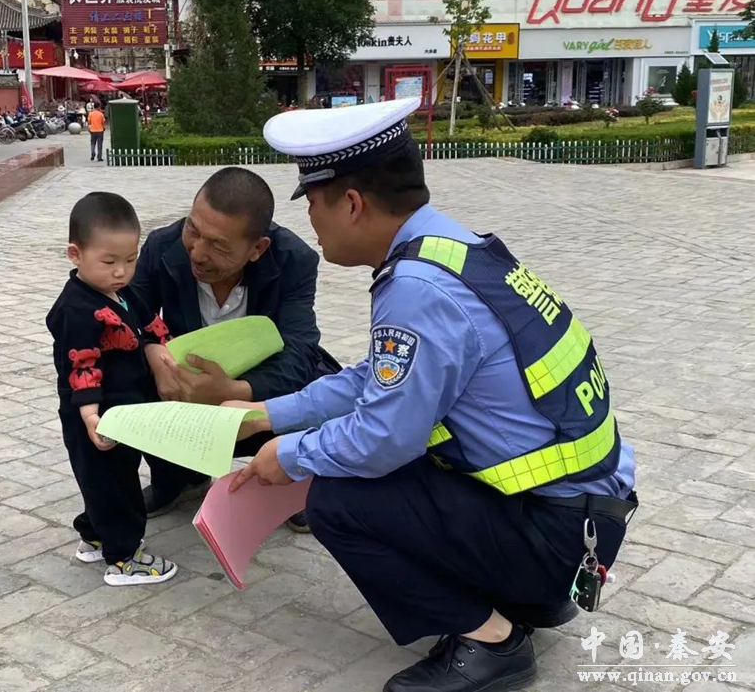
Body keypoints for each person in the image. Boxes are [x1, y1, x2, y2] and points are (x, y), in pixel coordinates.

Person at [225, 98, 638, 692]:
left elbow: (382, 439)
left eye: (312, 201)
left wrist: (288, 455)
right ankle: (525, 595)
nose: (310, 219)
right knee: (381, 464)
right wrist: (267, 414)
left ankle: (492, 642)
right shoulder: (450, 247)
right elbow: (377, 379)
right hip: (582, 522)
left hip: (558, 536)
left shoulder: (417, 289)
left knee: (337, 500)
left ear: (352, 204)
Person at [127, 166, 340, 532]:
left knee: (322, 385)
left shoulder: (294, 260)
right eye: (193, 230)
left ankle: (290, 482)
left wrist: (236, 392)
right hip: (182, 385)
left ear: (258, 249)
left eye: (219, 246)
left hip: (255, 391)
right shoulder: (163, 247)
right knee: (119, 374)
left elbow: (300, 350)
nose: (197, 252)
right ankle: (178, 479)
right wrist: (152, 353)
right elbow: (128, 318)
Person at [46, 191, 178, 586]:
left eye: (131, 259)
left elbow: (151, 325)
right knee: (115, 483)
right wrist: (91, 416)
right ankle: (123, 558)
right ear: (75, 254)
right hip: (97, 415)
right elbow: (81, 365)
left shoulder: (123, 292)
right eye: (109, 262)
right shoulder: (76, 309)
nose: (121, 271)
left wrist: (166, 352)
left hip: (127, 410)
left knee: (109, 480)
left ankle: (95, 533)